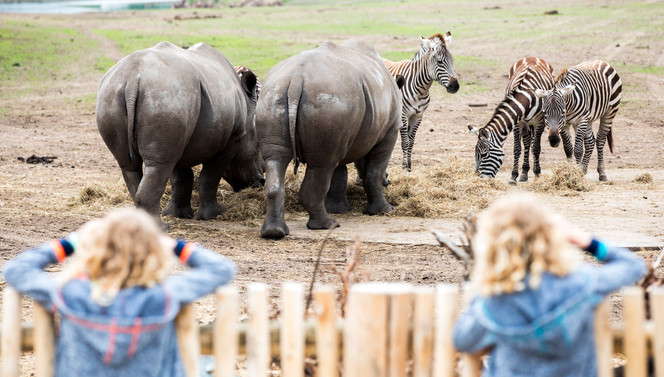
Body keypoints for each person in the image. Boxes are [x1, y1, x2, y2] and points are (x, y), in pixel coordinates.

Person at [3, 207, 236, 377]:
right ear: (153, 252)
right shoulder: (163, 296)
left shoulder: (72, 294)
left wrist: (71, 242)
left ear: (98, 249)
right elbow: (222, 269)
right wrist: (175, 245)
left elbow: (16, 269)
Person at [453, 193, 647, 377]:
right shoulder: (582, 282)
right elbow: (633, 265)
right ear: (550, 236)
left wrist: (487, 281)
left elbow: (462, 340)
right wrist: (588, 242)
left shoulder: (494, 300)